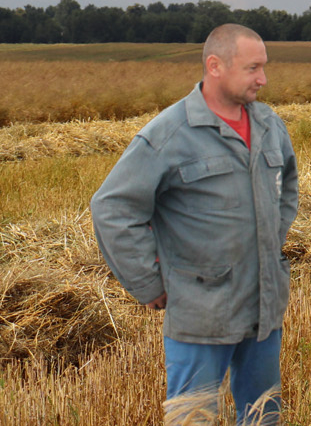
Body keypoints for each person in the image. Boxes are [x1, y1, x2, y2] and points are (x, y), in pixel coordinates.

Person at [90, 23, 298, 424]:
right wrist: (146, 282)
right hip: (201, 312)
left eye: (264, 67)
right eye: (253, 68)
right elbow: (113, 207)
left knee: (263, 416)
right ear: (215, 66)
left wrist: (272, 241)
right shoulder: (170, 134)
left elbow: (287, 187)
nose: (263, 79)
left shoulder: (270, 125)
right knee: (192, 420)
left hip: (264, 307)